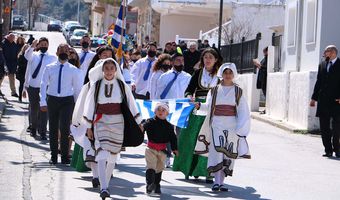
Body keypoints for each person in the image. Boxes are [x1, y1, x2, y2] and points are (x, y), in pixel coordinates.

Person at [83, 58, 142, 199]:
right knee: (102, 154)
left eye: (112, 68)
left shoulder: (122, 86)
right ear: (102, 70)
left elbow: (132, 104)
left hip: (118, 122)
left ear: (116, 70)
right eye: (106, 68)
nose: (109, 71)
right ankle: (104, 188)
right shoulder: (96, 86)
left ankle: (106, 185)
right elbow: (90, 105)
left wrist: (139, 122)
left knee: (113, 157)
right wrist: (88, 127)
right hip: (100, 121)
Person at [195, 63, 251, 192]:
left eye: (230, 73)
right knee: (216, 151)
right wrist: (199, 106)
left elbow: (243, 111)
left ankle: (222, 182)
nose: (228, 75)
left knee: (228, 153)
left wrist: (241, 128)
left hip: (232, 125)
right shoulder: (214, 90)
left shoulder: (238, 91)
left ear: (234, 74)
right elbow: (208, 107)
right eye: (225, 73)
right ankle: (216, 181)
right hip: (216, 124)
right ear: (222, 74)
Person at [173, 48, 222, 183]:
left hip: (213, 110)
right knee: (192, 139)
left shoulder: (221, 76)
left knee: (209, 141)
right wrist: (190, 97)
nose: (207, 60)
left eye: (210, 57)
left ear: (216, 60)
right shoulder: (198, 73)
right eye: (205, 57)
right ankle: (191, 169)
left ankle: (208, 172)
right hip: (197, 110)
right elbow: (189, 90)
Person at [40, 44, 82, 164]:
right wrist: (42, 101)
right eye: (61, 50)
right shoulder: (49, 67)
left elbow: (77, 89)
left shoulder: (74, 70)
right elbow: (43, 84)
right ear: (57, 52)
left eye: (65, 50)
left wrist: (78, 107)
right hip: (52, 99)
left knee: (65, 129)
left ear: (69, 53)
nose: (63, 52)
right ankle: (53, 156)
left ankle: (64, 156)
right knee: (53, 129)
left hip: (67, 101)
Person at [24, 38, 57, 139]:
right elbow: (26, 55)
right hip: (33, 86)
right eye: (41, 44)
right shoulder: (34, 55)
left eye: (45, 44)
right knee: (33, 109)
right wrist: (32, 46)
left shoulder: (52, 58)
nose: (43, 46)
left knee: (44, 110)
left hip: (46, 87)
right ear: (38, 45)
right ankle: (33, 128)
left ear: (48, 45)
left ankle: (42, 131)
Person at [141, 102, 178, 195]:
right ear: (154, 111)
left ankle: (157, 185)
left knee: (159, 169)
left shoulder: (169, 126)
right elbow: (143, 127)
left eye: (163, 110)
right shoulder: (150, 121)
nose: (160, 111)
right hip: (151, 149)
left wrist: (174, 149)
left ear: (167, 113)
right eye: (158, 109)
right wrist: (141, 128)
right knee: (151, 167)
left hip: (162, 150)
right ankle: (149, 185)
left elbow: (173, 138)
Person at [310, 45, 340, 158]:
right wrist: (314, 98)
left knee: (337, 127)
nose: (324, 53)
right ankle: (328, 150)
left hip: (336, 101)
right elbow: (319, 82)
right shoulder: (322, 65)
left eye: (326, 51)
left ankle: (337, 148)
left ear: (332, 52)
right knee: (324, 126)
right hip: (323, 101)